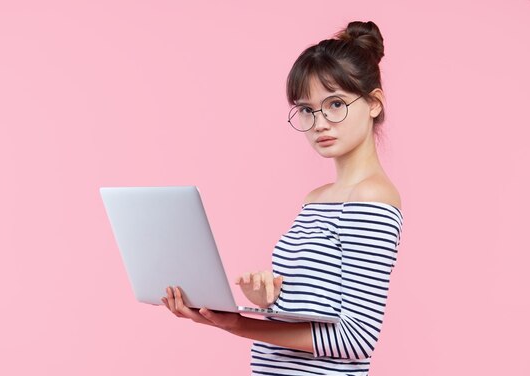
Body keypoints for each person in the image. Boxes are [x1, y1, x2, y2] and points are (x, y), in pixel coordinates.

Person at [162, 20, 404, 376]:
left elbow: (357, 338)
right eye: (307, 110)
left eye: (335, 104)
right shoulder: (316, 200)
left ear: (374, 104)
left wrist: (236, 324)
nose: (320, 122)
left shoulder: (373, 198)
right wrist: (268, 302)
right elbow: (318, 311)